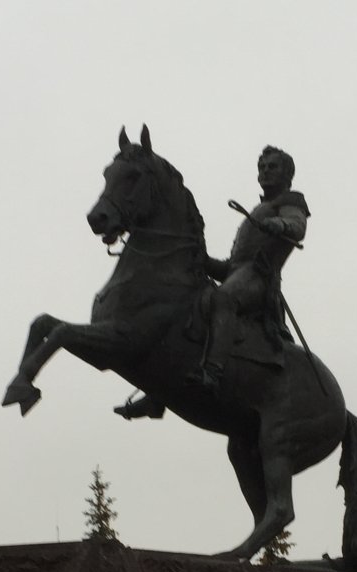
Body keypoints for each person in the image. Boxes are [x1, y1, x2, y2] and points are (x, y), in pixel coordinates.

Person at [115, 145, 308, 420]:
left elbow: (297, 225)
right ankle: (157, 396)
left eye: (272, 167)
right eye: (262, 167)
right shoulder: (260, 209)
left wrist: (280, 225)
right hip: (240, 274)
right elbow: (233, 267)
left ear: (287, 173)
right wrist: (202, 261)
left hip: (261, 280)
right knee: (186, 306)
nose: (265, 172)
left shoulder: (291, 201)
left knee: (223, 299)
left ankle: (212, 372)